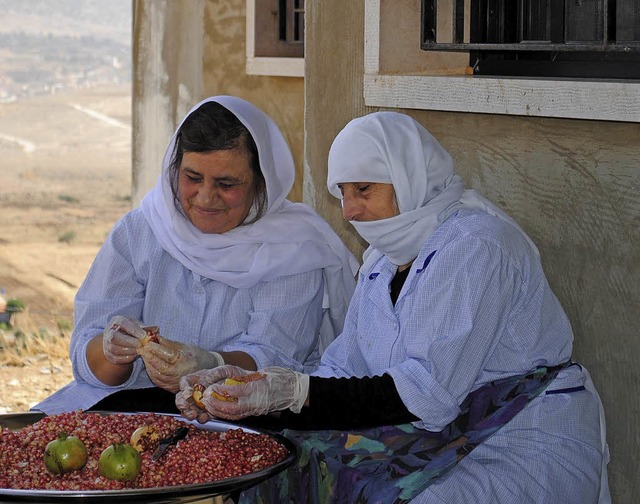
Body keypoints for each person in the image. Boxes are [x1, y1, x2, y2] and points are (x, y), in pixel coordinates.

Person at [177, 112, 611, 503]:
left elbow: (427, 395)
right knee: (279, 461)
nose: (349, 211)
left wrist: (293, 393)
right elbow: (343, 368)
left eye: (363, 189)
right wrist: (254, 391)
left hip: (519, 440)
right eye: (342, 193)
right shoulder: (381, 262)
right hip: (440, 439)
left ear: (410, 178)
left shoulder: (477, 246)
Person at [33, 96, 358, 415]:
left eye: (226, 183)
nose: (205, 197)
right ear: (174, 168)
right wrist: (114, 351)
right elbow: (89, 359)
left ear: (262, 183)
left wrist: (211, 365)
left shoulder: (293, 249)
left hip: (238, 415)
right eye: (192, 178)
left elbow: (275, 361)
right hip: (124, 407)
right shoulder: (140, 232)